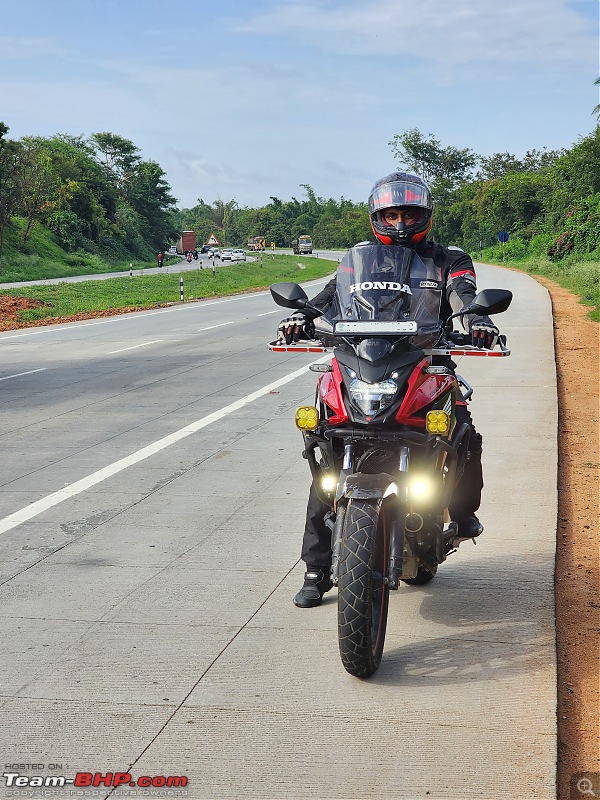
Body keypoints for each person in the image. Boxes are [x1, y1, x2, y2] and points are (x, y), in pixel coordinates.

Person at [277, 172, 501, 608]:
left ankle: (461, 511)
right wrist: (299, 320)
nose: (400, 223)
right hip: (365, 360)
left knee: (463, 433)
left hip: (426, 360)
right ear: (378, 217)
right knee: (326, 453)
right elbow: (326, 298)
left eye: (409, 214)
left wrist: (478, 321)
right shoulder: (357, 258)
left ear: (425, 217)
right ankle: (317, 568)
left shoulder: (449, 258)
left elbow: (462, 294)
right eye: (392, 214)